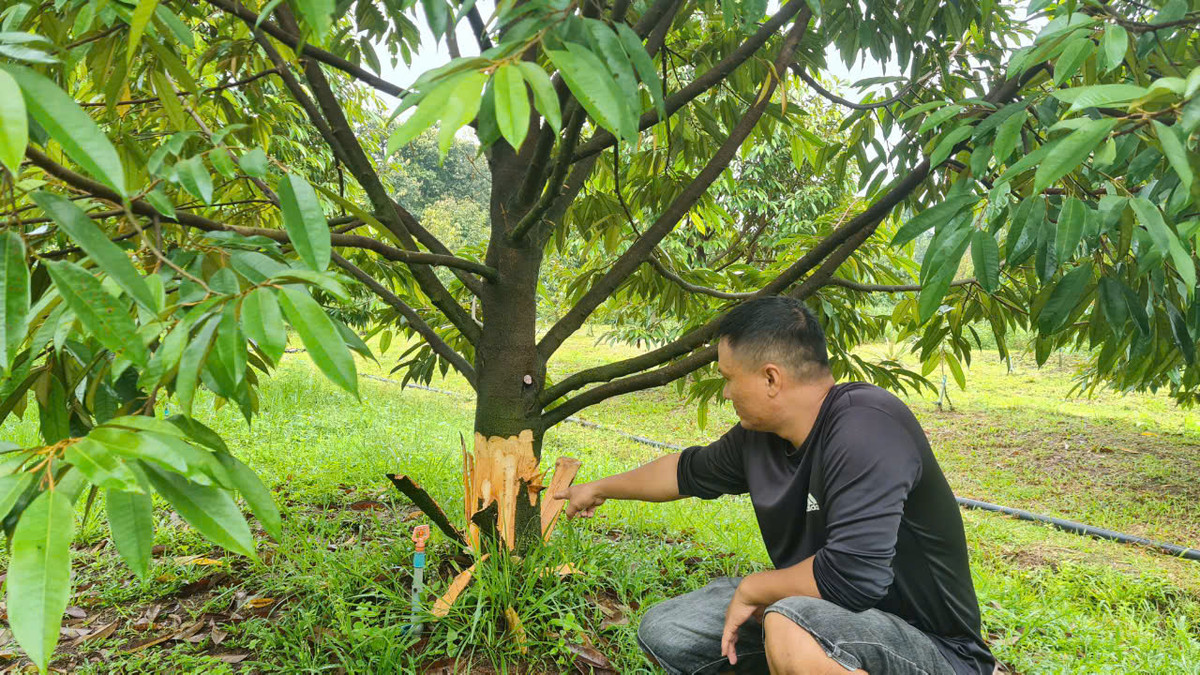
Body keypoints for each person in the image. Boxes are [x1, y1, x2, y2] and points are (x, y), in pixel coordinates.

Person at [554, 296, 995, 675]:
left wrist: (754, 588)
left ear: (770, 378)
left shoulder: (866, 427)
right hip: (822, 614)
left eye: (729, 378)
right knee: (668, 631)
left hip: (930, 647)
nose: (725, 393)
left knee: (789, 622)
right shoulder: (760, 437)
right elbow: (686, 472)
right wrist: (598, 488)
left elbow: (854, 577)